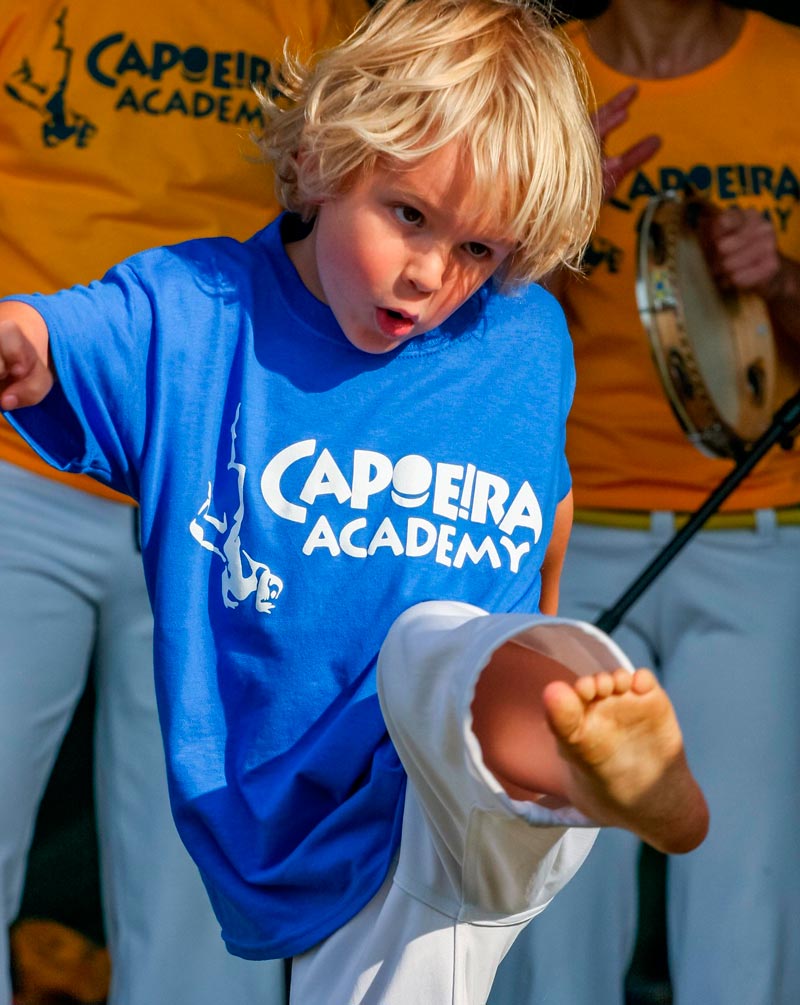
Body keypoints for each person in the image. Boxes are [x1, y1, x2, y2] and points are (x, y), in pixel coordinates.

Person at [0, 1, 709, 1001]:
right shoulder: (199, 311)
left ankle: (588, 762)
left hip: (458, 792)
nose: (431, 275)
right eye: (409, 217)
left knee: (440, 648)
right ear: (320, 161)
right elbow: (58, 335)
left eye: (479, 251)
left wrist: (543, 636)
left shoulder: (521, 336)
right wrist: (20, 341)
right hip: (294, 810)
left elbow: (545, 502)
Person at [0, 2, 366, 1003]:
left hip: (235, 482)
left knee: (210, 892)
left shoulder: (330, 19)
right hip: (17, 460)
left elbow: (393, 196)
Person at [489, 2, 800, 1004]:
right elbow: (434, 306)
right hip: (562, 536)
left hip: (754, 533)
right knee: (552, 884)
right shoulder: (537, 74)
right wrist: (544, 219)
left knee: (738, 878)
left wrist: (779, 282)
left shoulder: (789, 70)